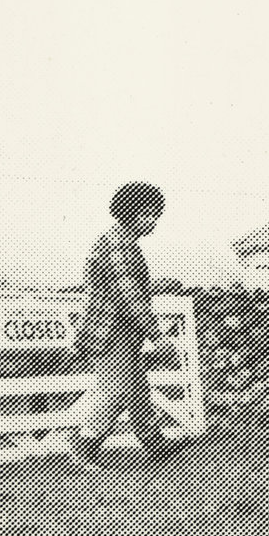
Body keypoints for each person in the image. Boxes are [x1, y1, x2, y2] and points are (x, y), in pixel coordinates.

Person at [70, 182, 188, 470]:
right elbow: (129, 294)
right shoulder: (119, 245)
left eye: (156, 215)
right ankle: (84, 441)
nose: (154, 221)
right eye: (149, 214)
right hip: (109, 332)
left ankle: (155, 443)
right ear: (131, 212)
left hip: (118, 331)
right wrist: (156, 334)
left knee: (136, 389)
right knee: (117, 390)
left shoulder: (121, 241)